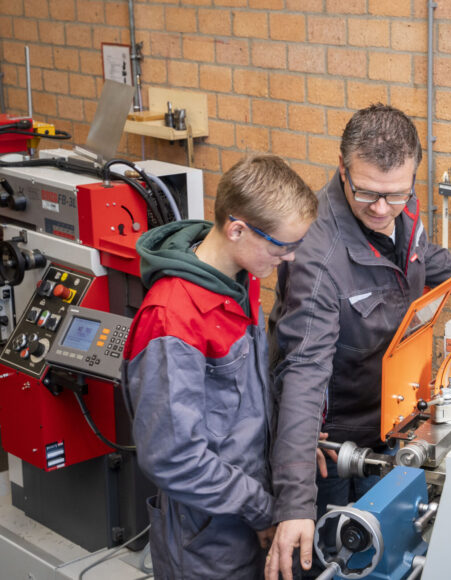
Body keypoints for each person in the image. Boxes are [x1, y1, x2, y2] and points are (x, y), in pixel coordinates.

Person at [266, 104, 451, 579]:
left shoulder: (398, 206)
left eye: (396, 194)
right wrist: (294, 504)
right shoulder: (318, 258)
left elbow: (422, 255)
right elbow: (303, 377)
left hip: (392, 420)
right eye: (367, 193)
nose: (383, 209)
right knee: (332, 561)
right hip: (332, 446)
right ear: (342, 171)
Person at [123, 155, 317, 579]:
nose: (288, 258)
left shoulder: (237, 278)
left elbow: (242, 398)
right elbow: (174, 457)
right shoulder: (173, 318)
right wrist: (262, 509)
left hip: (244, 513)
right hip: (206, 541)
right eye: (281, 246)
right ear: (237, 229)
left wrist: (289, 442)